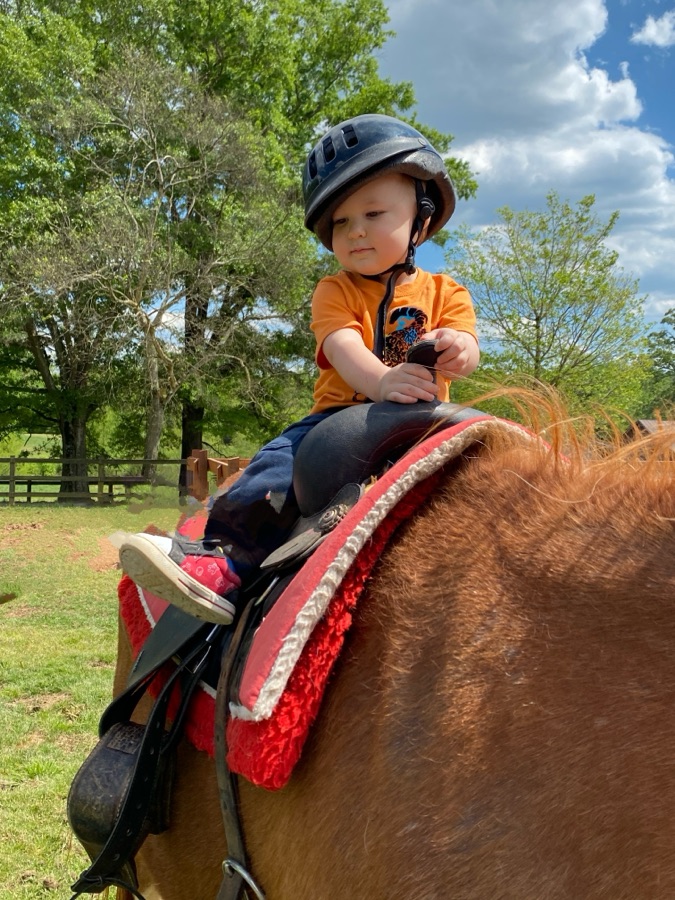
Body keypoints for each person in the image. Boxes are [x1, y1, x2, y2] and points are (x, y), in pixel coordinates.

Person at [117, 114, 480, 624]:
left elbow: (467, 350)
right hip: (339, 417)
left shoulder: (447, 292)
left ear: (421, 216)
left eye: (373, 213)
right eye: (340, 222)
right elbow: (342, 346)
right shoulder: (335, 289)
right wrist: (382, 381)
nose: (355, 231)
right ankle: (222, 561)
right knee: (275, 467)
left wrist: (458, 349)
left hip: (421, 419)